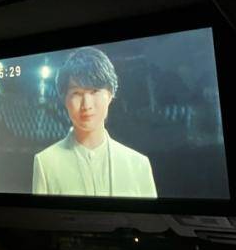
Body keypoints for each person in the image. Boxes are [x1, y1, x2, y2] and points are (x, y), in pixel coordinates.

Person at [32, 47, 157, 197]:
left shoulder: (138, 164)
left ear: (110, 95)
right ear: (65, 99)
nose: (87, 105)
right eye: (77, 93)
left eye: (94, 91)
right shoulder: (46, 162)